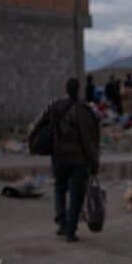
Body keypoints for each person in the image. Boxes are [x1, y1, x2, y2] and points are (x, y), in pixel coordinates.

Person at [29, 78, 100, 243]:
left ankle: (62, 223)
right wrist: (94, 163)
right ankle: (70, 230)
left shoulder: (54, 107)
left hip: (58, 158)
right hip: (78, 161)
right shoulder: (83, 110)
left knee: (59, 190)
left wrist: (35, 144)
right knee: (76, 195)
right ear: (79, 89)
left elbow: (38, 125)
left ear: (65, 89)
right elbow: (89, 141)